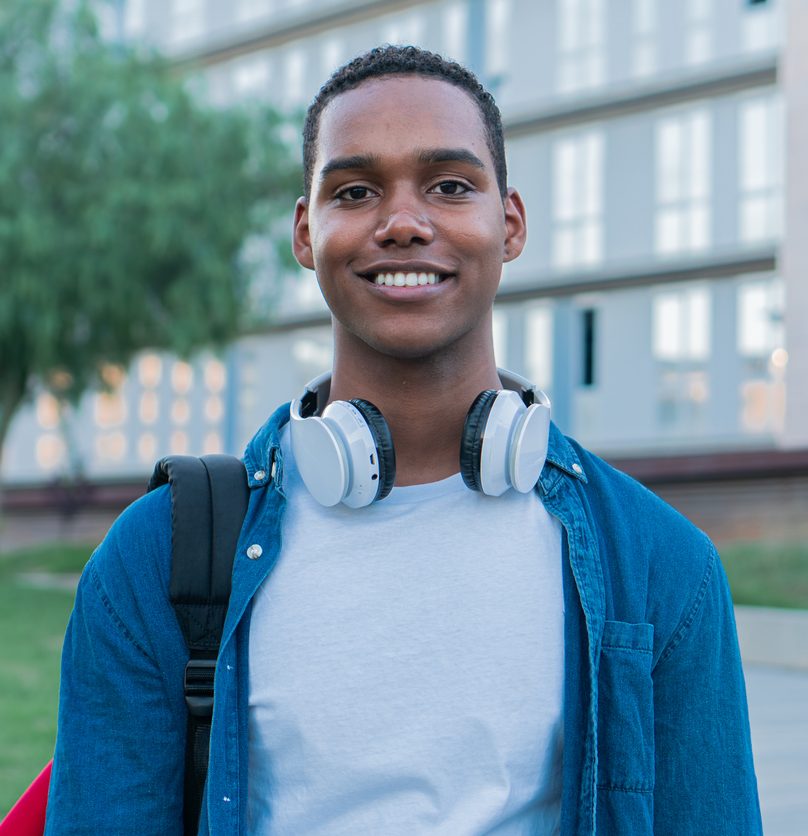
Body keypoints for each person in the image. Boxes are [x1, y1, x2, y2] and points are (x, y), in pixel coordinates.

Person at [45, 45, 761, 835]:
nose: (404, 222)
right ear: (306, 233)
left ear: (510, 222)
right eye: (355, 190)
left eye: (450, 186)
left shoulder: (664, 569)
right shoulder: (154, 560)